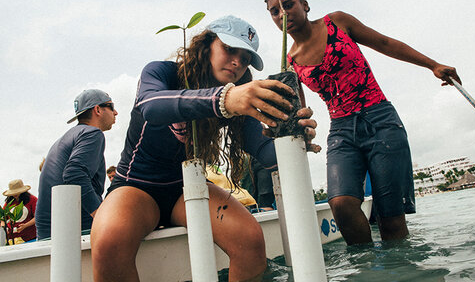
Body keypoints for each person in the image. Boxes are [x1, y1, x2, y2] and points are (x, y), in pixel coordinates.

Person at [90, 15, 320, 282]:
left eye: (245, 58)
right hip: (136, 187)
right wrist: (224, 99)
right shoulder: (161, 72)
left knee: (249, 239)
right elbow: (150, 106)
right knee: (108, 241)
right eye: (229, 49)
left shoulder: (238, 97)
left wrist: (293, 137)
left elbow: (266, 153)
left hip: (188, 189)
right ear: (207, 44)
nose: (237, 62)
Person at [264, 0, 461, 245]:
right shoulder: (290, 63)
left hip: (381, 119)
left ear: (304, 4)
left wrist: (433, 65)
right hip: (342, 132)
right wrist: (300, 135)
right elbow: (302, 114)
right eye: (275, 11)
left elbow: (385, 43)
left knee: (391, 221)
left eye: (288, 5)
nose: (283, 15)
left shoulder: (337, 22)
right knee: (341, 204)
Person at [35, 89, 118, 240]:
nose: (116, 112)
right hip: (75, 234)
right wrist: (101, 217)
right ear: (97, 110)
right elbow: (74, 174)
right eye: (111, 106)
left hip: (47, 235)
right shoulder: (92, 133)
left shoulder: (64, 138)